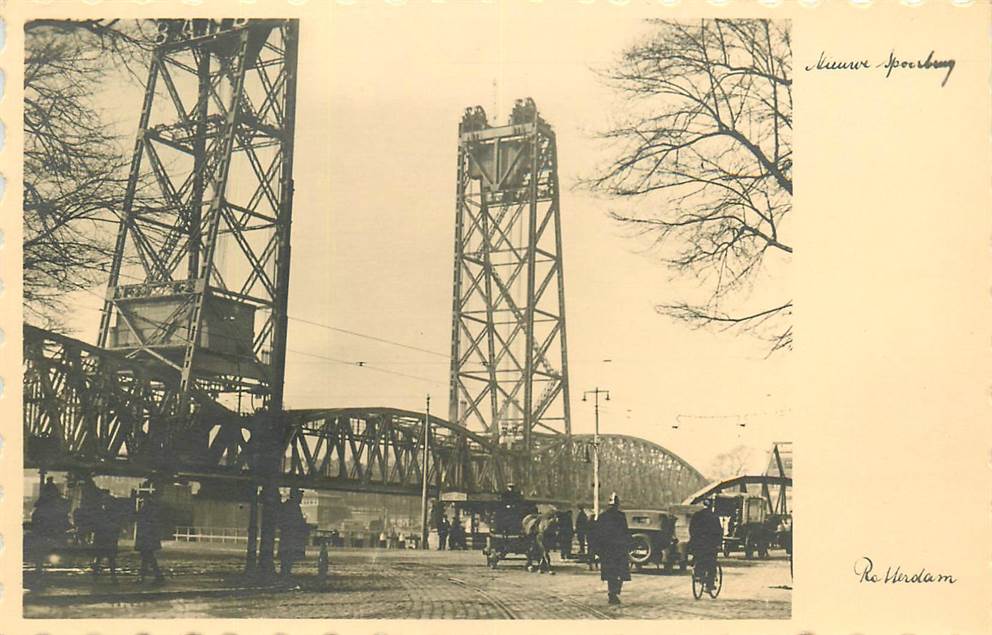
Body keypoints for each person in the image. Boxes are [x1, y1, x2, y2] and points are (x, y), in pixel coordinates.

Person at [596, 493, 632, 605]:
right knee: (620, 573)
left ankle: (612, 593)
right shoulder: (621, 516)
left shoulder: (602, 516)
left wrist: (598, 550)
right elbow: (625, 532)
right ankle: (614, 593)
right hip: (618, 549)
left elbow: (597, 534)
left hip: (608, 550)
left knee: (611, 573)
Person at [688, 499, 724, 591]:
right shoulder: (714, 517)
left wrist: (693, 539)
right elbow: (719, 532)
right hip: (710, 545)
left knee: (698, 557)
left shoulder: (696, 515)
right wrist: (719, 544)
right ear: (711, 506)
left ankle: (697, 574)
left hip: (697, 543)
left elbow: (691, 528)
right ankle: (709, 585)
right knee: (711, 563)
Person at [134, 490, 165, 584]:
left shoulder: (147, 508)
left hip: (146, 537)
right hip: (149, 537)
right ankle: (147, 576)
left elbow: (142, 519)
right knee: (146, 557)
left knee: (148, 557)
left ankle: (157, 576)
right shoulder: (150, 507)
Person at [278, 489, 309, 577]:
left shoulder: (288, 505)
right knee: (289, 553)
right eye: (300, 497)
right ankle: (285, 572)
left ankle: (285, 571)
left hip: (287, 534)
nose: (301, 499)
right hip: (290, 534)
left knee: (287, 553)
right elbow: (297, 521)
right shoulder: (293, 507)